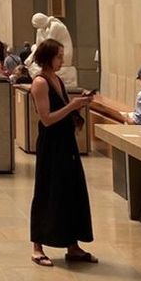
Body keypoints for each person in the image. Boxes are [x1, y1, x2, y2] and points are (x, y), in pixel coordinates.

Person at [29, 39, 96, 267]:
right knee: (47, 190)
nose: (63, 60)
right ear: (48, 57)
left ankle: (72, 244)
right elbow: (46, 119)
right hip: (51, 145)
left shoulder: (58, 80)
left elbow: (63, 112)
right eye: (59, 56)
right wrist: (72, 106)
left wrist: (78, 109)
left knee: (72, 190)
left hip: (66, 143)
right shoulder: (40, 82)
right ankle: (37, 246)